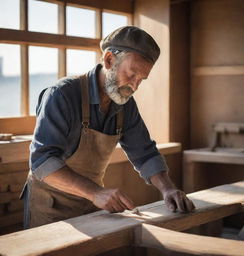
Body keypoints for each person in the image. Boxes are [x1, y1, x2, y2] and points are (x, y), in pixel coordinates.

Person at [21, 26, 195, 228]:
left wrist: (168, 189)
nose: (134, 87)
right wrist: (96, 192)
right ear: (109, 60)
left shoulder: (125, 104)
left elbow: (145, 153)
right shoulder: (61, 95)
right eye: (131, 75)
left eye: (141, 80)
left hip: (90, 204)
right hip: (49, 208)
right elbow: (42, 161)